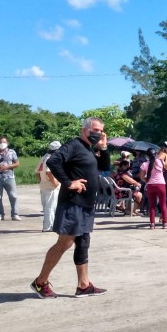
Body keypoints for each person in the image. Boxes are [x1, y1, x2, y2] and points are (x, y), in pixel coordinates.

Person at [30, 117, 110, 299]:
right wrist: (68, 182)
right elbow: (53, 161)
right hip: (73, 203)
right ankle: (40, 282)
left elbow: (105, 166)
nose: (98, 133)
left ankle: (83, 285)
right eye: (95, 130)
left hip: (86, 206)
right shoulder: (74, 145)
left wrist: (103, 147)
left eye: (101, 131)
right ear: (85, 130)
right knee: (64, 243)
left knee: (83, 243)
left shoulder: (89, 149)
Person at [0, 135, 21, 221]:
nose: (2, 144)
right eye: (0, 142)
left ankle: (15, 214)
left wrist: (8, 166)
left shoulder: (12, 152)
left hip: (10, 177)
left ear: (7, 143)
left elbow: (17, 163)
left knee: (13, 196)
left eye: (4, 142)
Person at [140, 148, 167, 229]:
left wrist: (147, 180)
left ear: (147, 155)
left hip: (150, 185)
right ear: (156, 154)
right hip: (161, 185)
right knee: (163, 204)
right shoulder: (161, 162)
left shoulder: (144, 164)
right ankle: (164, 223)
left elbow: (142, 177)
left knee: (152, 205)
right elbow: (166, 171)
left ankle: (152, 224)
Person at [36, 141, 61, 231]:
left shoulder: (44, 157)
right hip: (51, 186)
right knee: (51, 207)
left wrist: (43, 181)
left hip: (44, 185)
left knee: (46, 206)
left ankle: (48, 225)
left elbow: (37, 173)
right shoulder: (53, 158)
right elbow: (49, 172)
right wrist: (55, 183)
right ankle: (48, 226)